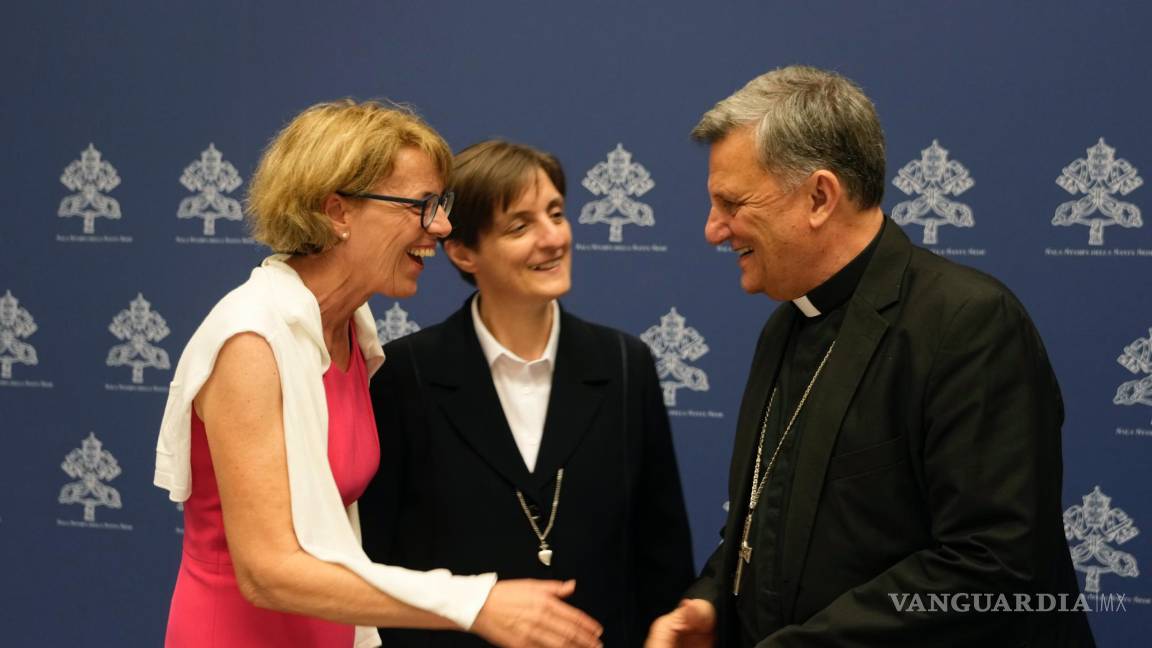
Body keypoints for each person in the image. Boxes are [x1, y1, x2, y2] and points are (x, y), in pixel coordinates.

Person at [645, 66, 1095, 647]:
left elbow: (993, 565)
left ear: (819, 196)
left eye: (732, 203)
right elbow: (769, 512)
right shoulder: (785, 325)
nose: (713, 230)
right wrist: (711, 601)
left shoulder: (968, 324)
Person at [154, 101, 603, 648]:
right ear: (338, 212)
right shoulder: (251, 341)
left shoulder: (348, 332)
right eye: (422, 205)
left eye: (442, 204)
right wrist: (470, 602)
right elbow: (268, 570)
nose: (441, 226)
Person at [358, 139, 696, 646]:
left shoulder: (625, 364)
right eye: (520, 225)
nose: (552, 238)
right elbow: (379, 564)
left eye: (556, 214)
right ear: (463, 251)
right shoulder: (405, 373)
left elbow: (661, 551)